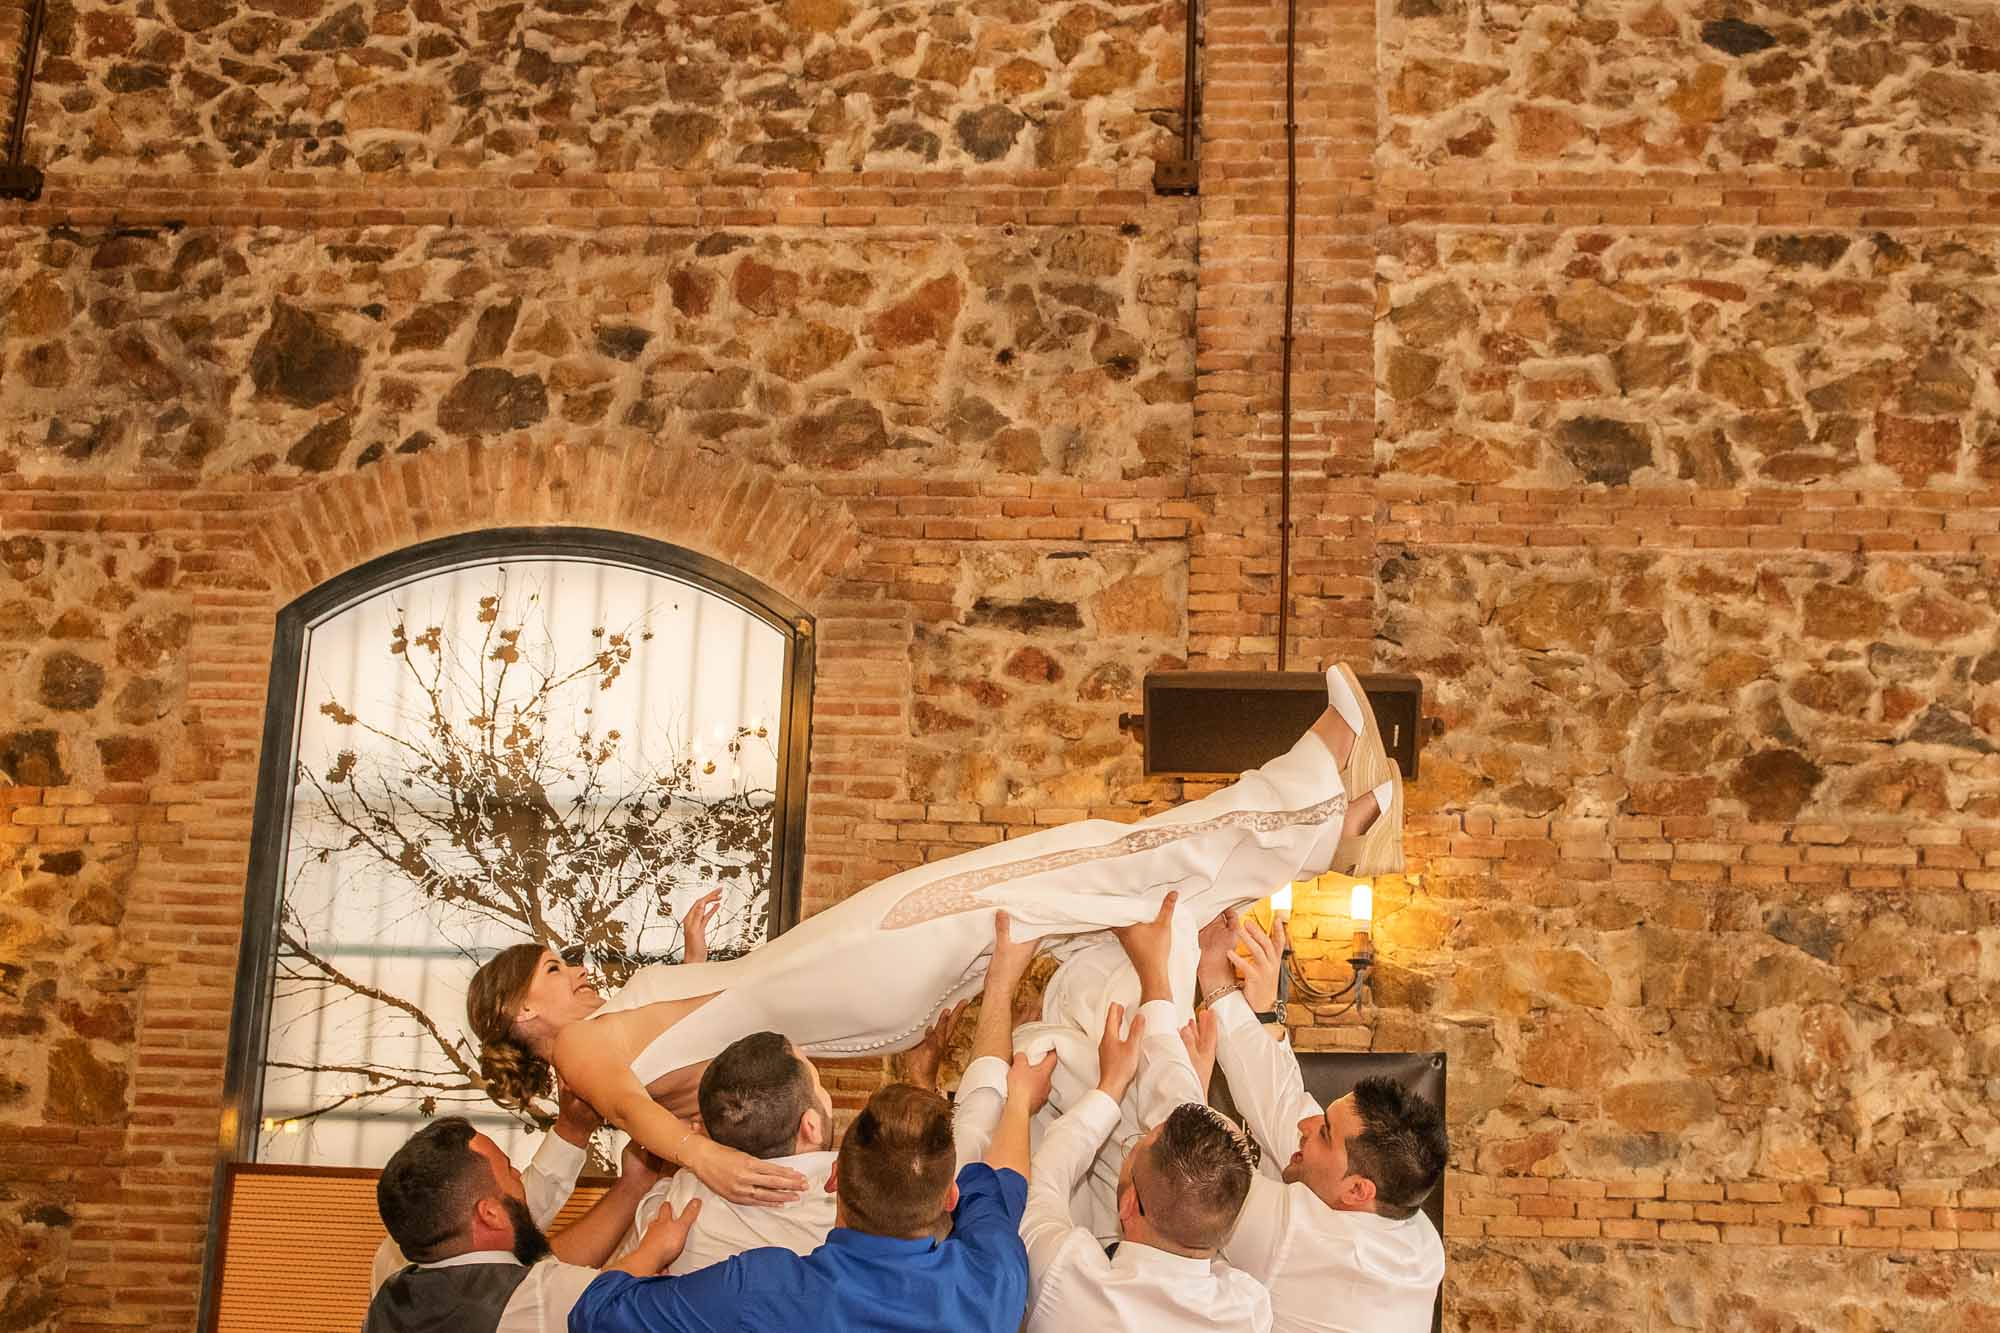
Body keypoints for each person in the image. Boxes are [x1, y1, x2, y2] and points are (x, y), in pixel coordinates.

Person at [468, 666, 1401, 1205]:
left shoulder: (607, 1043)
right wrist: (717, 1167)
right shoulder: (583, 1054)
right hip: (845, 968)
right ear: (521, 1010)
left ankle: (1332, 821)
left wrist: (701, 963)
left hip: (841, 987)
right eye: (555, 968)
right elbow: (647, 1116)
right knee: (1074, 865)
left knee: (1085, 891)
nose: (577, 970)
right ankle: (1312, 789)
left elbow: (697, 1067)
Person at [566, 1048, 1049, 1333]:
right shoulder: (992, 1279)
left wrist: (652, 1250)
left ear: (834, 1176)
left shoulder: (761, 1290)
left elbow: (593, 1314)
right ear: (949, 1198)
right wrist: (1020, 1098)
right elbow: (1005, 1185)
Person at [1019, 892, 1269, 1332]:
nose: (1134, 1139)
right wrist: (1157, 979)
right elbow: (1178, 1124)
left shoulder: (1070, 1281)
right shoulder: (1246, 1308)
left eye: (1138, 1145)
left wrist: (1109, 1088)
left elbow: (1045, 1179)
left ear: (1129, 1202)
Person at [1197, 912, 1448, 1333]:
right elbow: (1283, 1104)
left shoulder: (1300, 1239)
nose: (1306, 1126)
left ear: (1357, 1189)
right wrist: (1220, 982)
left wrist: (1193, 1079)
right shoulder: (1417, 1235)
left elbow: (1190, 1163)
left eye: (1325, 1133)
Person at [362, 1116, 700, 1333]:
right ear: (490, 1214)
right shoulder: (531, 1294)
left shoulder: (387, 1297)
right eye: (509, 1171)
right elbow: (602, 1295)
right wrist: (657, 1247)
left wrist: (633, 1184)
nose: (517, 1179)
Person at [614, 1029, 840, 1273]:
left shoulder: (673, 1204)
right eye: (819, 1086)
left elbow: (624, 1268)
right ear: (811, 1127)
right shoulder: (856, 1198)